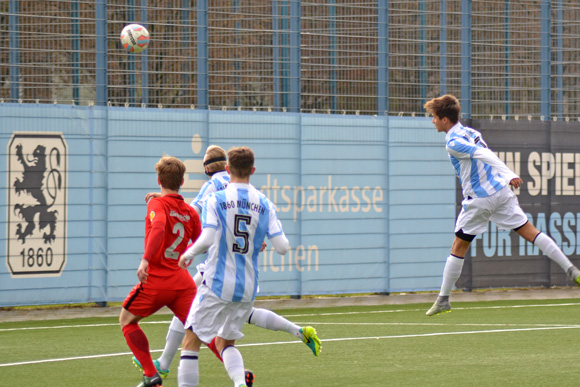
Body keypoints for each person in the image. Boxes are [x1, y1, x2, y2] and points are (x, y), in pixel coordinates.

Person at [135, 145, 320, 386]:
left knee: (190, 337)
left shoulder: (214, 192)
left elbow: (195, 219)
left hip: (218, 275)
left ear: (224, 167)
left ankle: (165, 363)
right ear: (252, 170)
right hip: (247, 283)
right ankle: (240, 379)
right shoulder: (264, 202)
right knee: (224, 339)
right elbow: (282, 246)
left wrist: (188, 249)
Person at [423, 94, 580, 317]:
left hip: (480, 199)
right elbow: (486, 155)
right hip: (501, 193)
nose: (433, 121)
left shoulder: (453, 143)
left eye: (435, 117)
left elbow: (483, 154)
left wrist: (509, 173)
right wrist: (506, 177)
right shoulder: (472, 132)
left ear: (445, 119)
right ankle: (570, 269)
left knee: (458, 246)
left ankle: (443, 299)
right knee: (530, 232)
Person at [120, 155, 201, 387]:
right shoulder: (190, 212)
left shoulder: (156, 204)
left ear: (158, 180)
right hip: (182, 283)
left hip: (155, 281)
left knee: (126, 319)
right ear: (182, 182)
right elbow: (200, 241)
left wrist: (145, 260)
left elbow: (159, 227)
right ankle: (238, 372)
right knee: (201, 330)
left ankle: (151, 374)